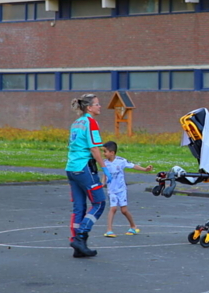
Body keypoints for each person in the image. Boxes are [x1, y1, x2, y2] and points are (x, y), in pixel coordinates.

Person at [66, 94, 107, 258]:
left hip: (71, 168)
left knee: (79, 208)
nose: (100, 106)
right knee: (99, 203)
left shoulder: (76, 123)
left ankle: (78, 246)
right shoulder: (91, 122)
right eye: (97, 104)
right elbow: (95, 148)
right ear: (89, 107)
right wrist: (105, 169)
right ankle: (81, 236)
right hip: (84, 168)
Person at [101, 141, 153, 237]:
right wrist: (102, 182)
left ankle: (133, 226)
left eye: (105, 151)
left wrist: (145, 169)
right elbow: (105, 173)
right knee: (113, 208)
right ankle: (109, 230)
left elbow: (133, 166)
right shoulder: (104, 163)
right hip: (111, 190)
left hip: (121, 190)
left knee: (124, 210)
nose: (103, 154)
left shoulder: (121, 161)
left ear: (112, 152)